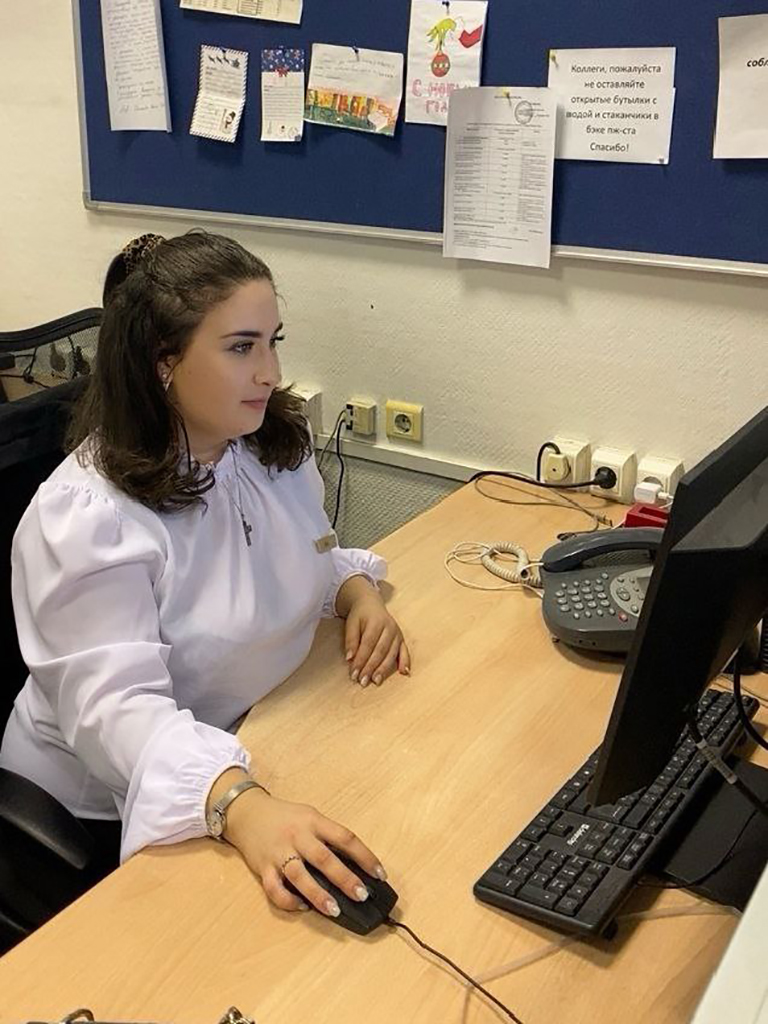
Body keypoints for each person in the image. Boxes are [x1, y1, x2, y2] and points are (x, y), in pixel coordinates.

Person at [0, 231, 410, 921]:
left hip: (253, 741)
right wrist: (239, 804)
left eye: (273, 342)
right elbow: (117, 714)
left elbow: (300, 557)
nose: (270, 372)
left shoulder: (264, 448)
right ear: (163, 363)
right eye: (242, 347)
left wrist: (353, 591)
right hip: (110, 803)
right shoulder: (90, 516)